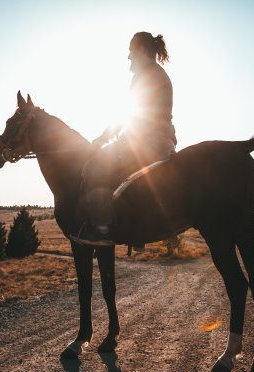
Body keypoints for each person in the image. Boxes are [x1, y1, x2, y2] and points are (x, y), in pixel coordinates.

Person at [71, 32, 177, 246]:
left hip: (145, 142)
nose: (128, 57)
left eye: (130, 50)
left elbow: (128, 116)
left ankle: (101, 230)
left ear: (141, 51)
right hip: (164, 139)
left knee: (93, 167)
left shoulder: (144, 76)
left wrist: (101, 141)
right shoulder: (160, 74)